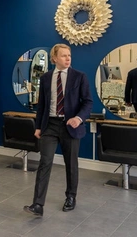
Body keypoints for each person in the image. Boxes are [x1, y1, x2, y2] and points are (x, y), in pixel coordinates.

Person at [24, 43, 93, 216]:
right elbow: (42, 104)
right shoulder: (46, 78)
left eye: (69, 55)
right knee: (45, 162)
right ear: (54, 58)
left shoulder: (80, 77)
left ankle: (71, 197)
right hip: (50, 125)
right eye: (64, 55)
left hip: (70, 125)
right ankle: (38, 204)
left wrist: (78, 118)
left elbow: (88, 102)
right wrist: (38, 126)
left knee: (71, 163)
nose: (68, 58)